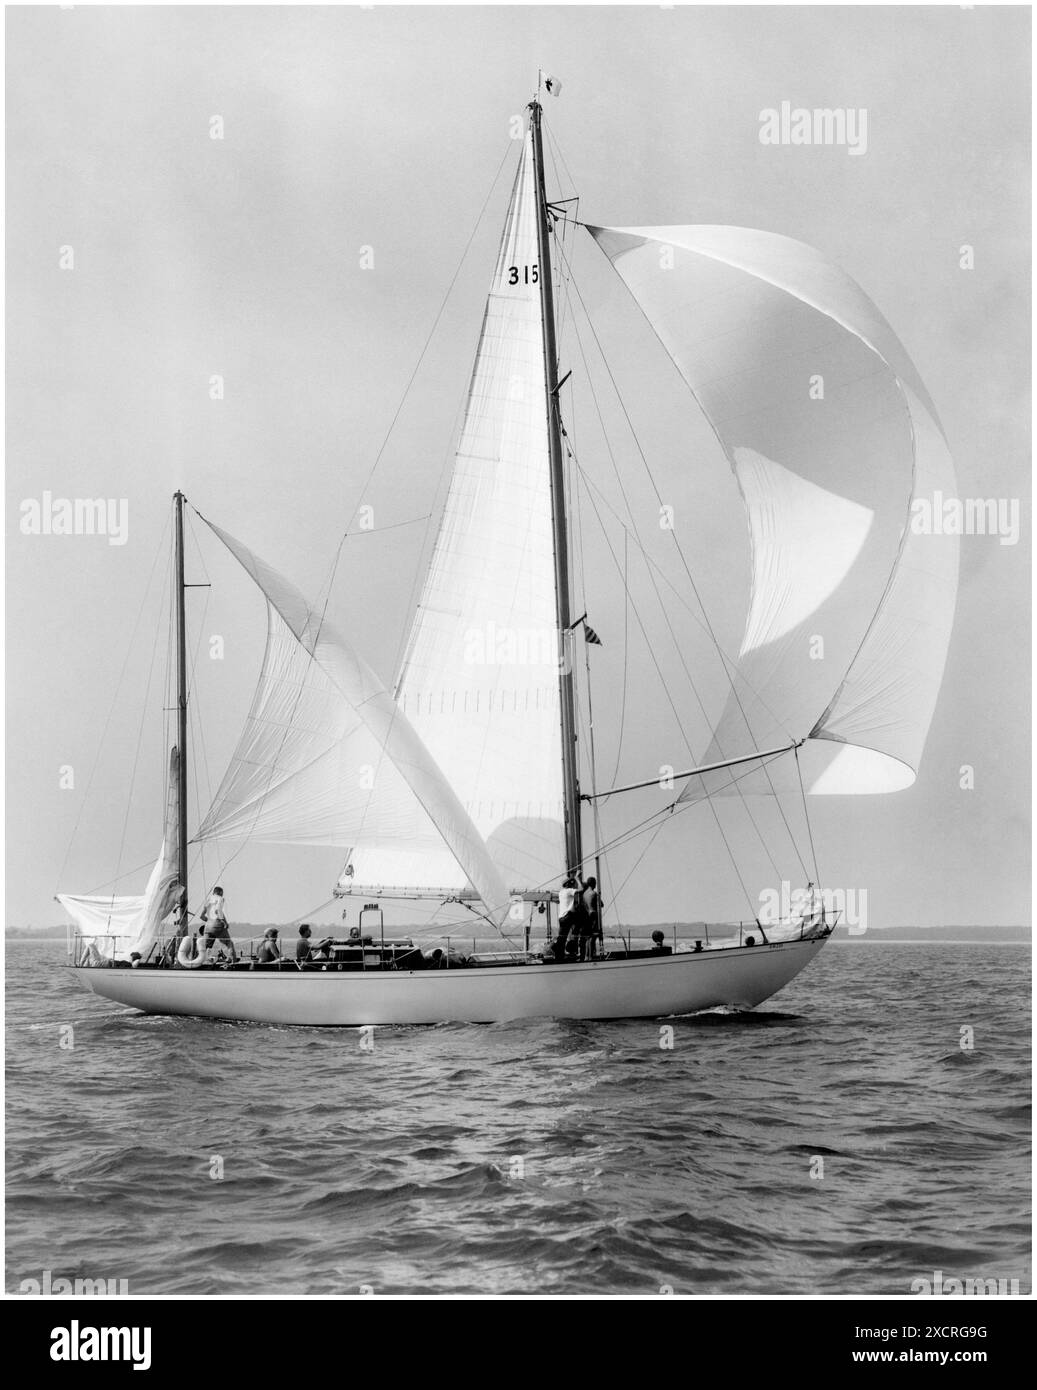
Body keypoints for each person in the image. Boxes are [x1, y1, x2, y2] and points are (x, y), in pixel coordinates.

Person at [200, 885, 236, 963]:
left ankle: (197, 960)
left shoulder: (208, 899)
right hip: (217, 924)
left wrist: (209, 921)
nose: (222, 895)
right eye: (222, 893)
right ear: (219, 892)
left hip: (208, 926)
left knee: (204, 946)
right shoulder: (220, 899)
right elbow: (218, 911)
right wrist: (224, 923)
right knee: (229, 942)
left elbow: (202, 916)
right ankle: (233, 959)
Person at [553, 877, 580, 959]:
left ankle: (559, 955)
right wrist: (577, 878)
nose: (572, 884)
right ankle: (567, 952)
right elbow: (581, 889)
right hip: (567, 916)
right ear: (567, 884)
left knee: (562, 937)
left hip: (561, 917)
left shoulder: (561, 892)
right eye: (571, 883)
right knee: (576, 930)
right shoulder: (569, 891)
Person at [579, 876, 602, 961]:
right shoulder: (594, 893)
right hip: (593, 915)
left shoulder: (584, 894)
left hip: (586, 916)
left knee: (588, 938)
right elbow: (601, 904)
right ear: (593, 884)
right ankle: (591, 956)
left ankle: (586, 956)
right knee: (593, 937)